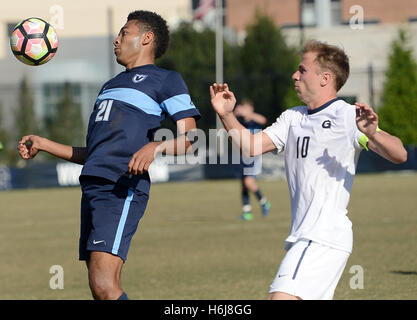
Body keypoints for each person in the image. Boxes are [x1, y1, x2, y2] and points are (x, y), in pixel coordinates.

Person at [17, 10, 200, 300]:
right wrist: (43, 143)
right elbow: (93, 153)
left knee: (104, 284)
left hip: (121, 185)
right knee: (99, 286)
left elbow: (191, 138)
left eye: (124, 33)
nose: (116, 40)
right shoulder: (109, 86)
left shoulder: (166, 80)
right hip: (92, 185)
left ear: (146, 38)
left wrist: (155, 146)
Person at [210, 40, 407, 300]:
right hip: (305, 235)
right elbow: (250, 146)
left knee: (280, 298)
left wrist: (373, 133)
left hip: (323, 236)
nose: (295, 75)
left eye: (302, 70)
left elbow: (399, 154)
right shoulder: (293, 117)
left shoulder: (348, 116)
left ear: (325, 78)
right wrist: (226, 115)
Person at [233, 99, 270, 220]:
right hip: (242, 155)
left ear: (251, 109)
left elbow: (263, 120)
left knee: (248, 181)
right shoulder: (240, 121)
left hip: (253, 156)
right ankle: (247, 212)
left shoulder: (255, 120)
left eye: (247, 108)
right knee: (243, 184)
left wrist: (248, 114)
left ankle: (264, 202)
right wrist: (234, 113)